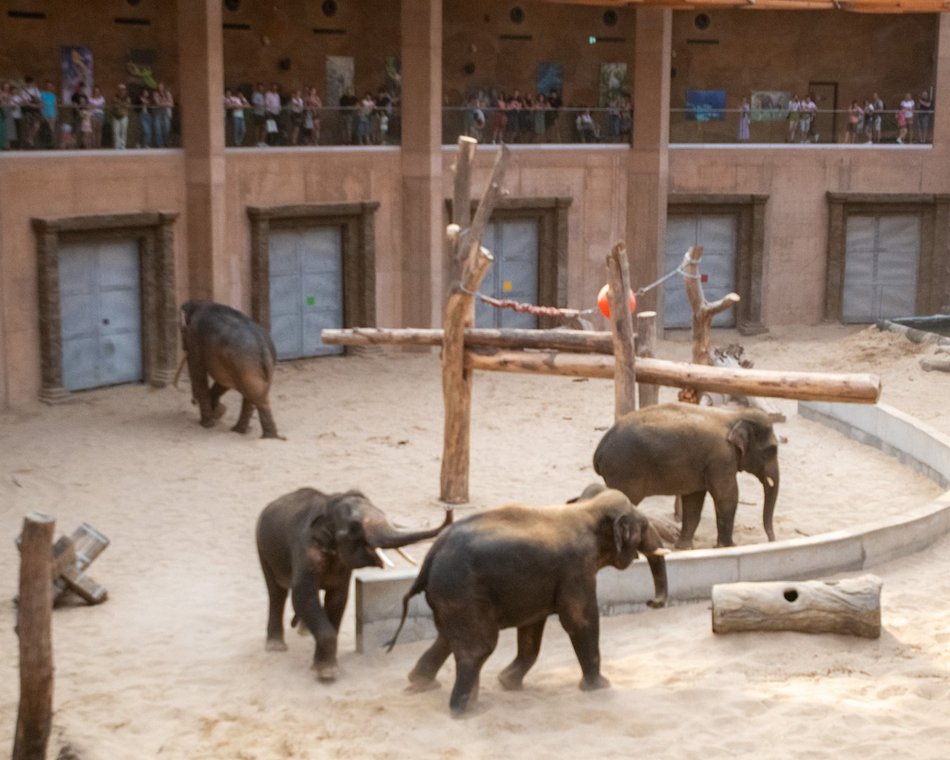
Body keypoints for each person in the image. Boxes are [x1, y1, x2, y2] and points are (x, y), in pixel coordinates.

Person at [152, 81, 174, 148]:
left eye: (161, 86)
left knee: (167, 129)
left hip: (166, 113)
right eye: (159, 86)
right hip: (158, 113)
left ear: (164, 86)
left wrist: (164, 103)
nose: (160, 87)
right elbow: (158, 103)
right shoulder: (155, 94)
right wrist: (167, 102)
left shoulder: (167, 93)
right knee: (158, 129)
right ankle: (160, 145)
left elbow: (172, 104)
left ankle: (166, 144)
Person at [111, 83, 131, 149]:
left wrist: (119, 103)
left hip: (124, 116)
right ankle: (117, 146)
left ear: (125, 90)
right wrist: (122, 104)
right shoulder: (115, 97)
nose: (122, 91)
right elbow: (115, 106)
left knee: (124, 132)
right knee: (116, 132)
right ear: (118, 90)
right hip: (116, 116)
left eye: (123, 90)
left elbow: (127, 106)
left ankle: (123, 146)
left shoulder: (127, 97)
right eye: (120, 90)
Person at [39, 81, 58, 149]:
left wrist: (56, 113)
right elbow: (41, 104)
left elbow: (55, 105)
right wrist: (42, 114)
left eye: (51, 86)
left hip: (52, 114)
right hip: (45, 113)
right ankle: (45, 143)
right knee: (46, 128)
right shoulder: (42, 94)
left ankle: (51, 143)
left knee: (52, 129)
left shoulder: (53, 95)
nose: (50, 87)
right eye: (48, 86)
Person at [251, 82, 267, 146]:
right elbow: (254, 103)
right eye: (259, 87)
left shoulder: (262, 95)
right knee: (257, 128)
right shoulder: (255, 94)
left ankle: (262, 142)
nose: (261, 88)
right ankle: (257, 142)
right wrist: (261, 104)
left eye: (262, 87)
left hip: (262, 113)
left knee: (264, 127)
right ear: (257, 87)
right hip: (257, 113)